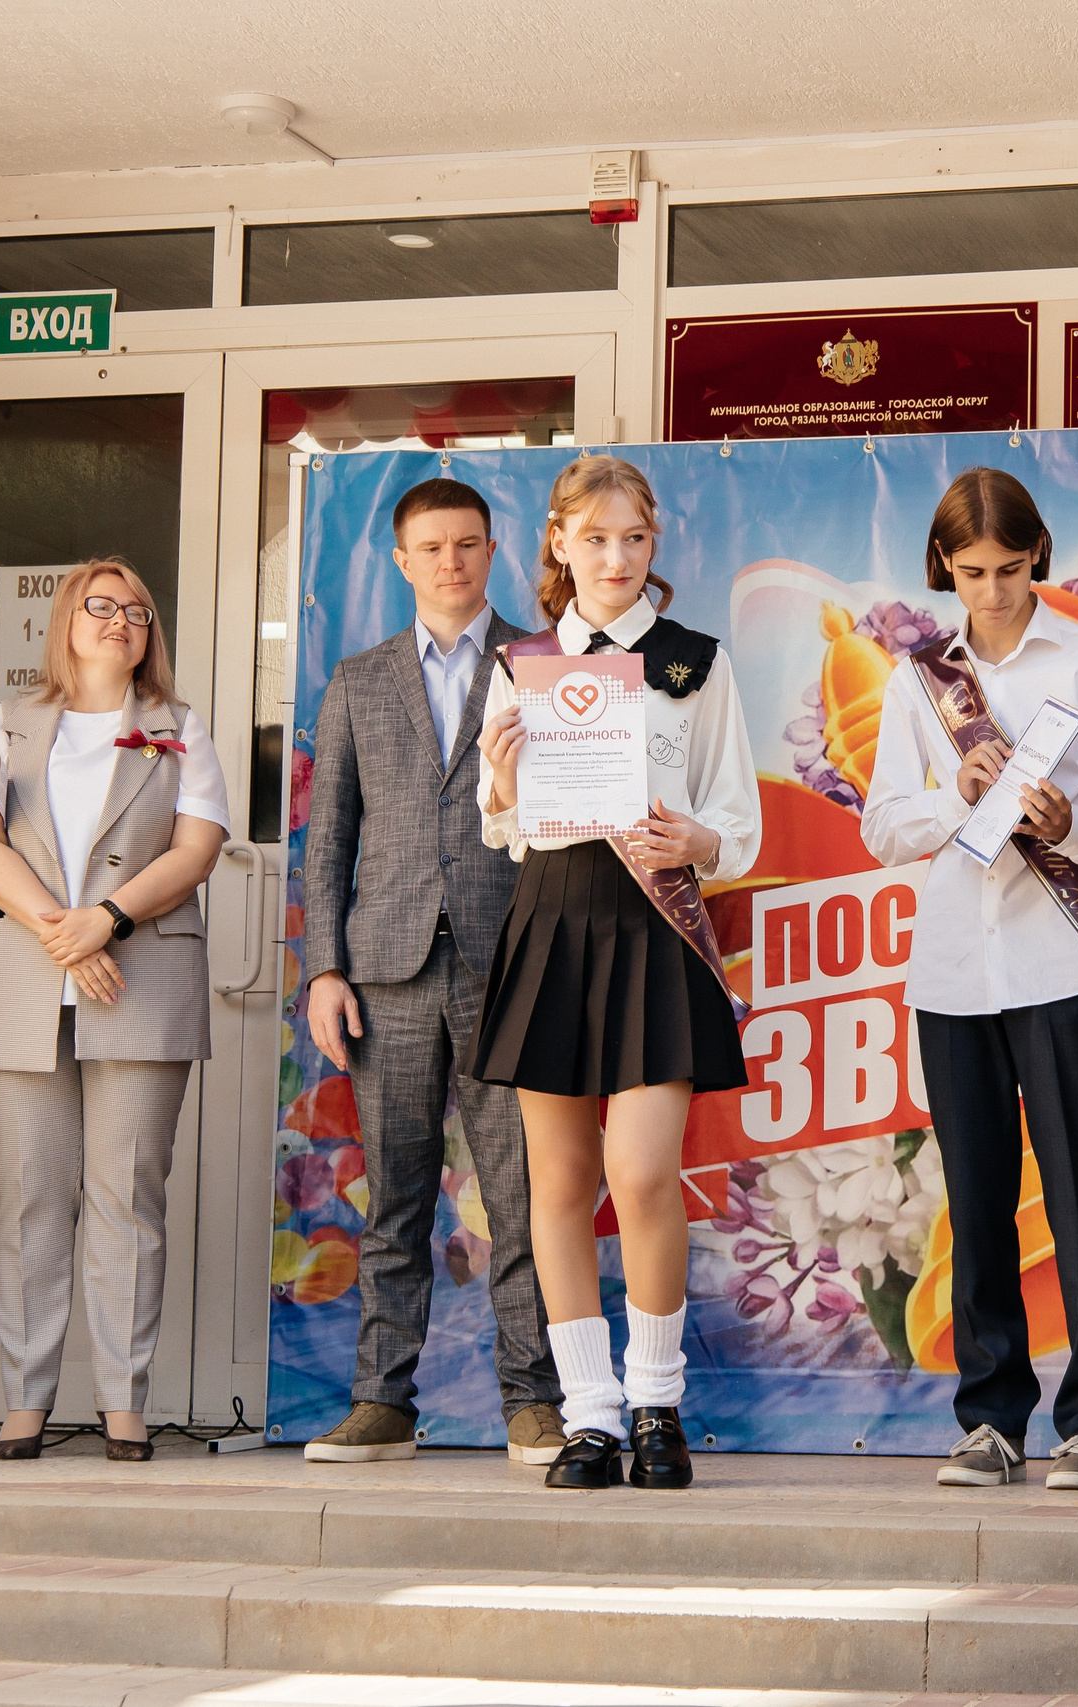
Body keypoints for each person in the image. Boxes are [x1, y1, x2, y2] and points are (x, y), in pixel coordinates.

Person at [861, 467, 1078, 1491]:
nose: (990, 592)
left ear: (1039, 553)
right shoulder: (916, 683)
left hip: (1061, 962)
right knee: (975, 1201)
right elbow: (882, 827)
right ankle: (989, 1419)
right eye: (970, 570)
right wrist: (959, 795)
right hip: (951, 973)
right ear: (943, 563)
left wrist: (1068, 824)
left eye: (1008, 567)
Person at [471, 454, 760, 1491]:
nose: (614, 557)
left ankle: (655, 1406)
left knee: (641, 1174)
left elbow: (742, 825)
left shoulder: (695, 662)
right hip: (553, 924)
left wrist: (695, 840)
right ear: (558, 544)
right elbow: (503, 830)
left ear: (654, 545)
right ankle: (588, 1415)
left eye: (633, 538)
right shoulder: (523, 664)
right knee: (559, 1183)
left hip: (654, 932)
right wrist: (503, 783)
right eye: (593, 538)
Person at [297, 478, 563, 1467]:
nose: (449, 562)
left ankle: (533, 1401)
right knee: (395, 1198)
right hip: (389, 970)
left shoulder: (546, 668)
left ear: (491, 551)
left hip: (515, 963)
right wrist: (325, 968)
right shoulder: (359, 680)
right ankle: (383, 1403)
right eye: (430, 548)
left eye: (466, 544)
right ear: (401, 563)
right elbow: (328, 842)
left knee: (521, 1195)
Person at [0, 557, 227, 1463]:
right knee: (32, 1195)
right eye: (102, 606)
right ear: (66, 620)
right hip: (24, 976)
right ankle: (25, 1401)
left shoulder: (178, 728)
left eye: (138, 611)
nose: (121, 621)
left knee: (127, 1197)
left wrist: (106, 921)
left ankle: (123, 1403)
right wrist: (58, 932)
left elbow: (197, 848)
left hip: (142, 974)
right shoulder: (7, 722)